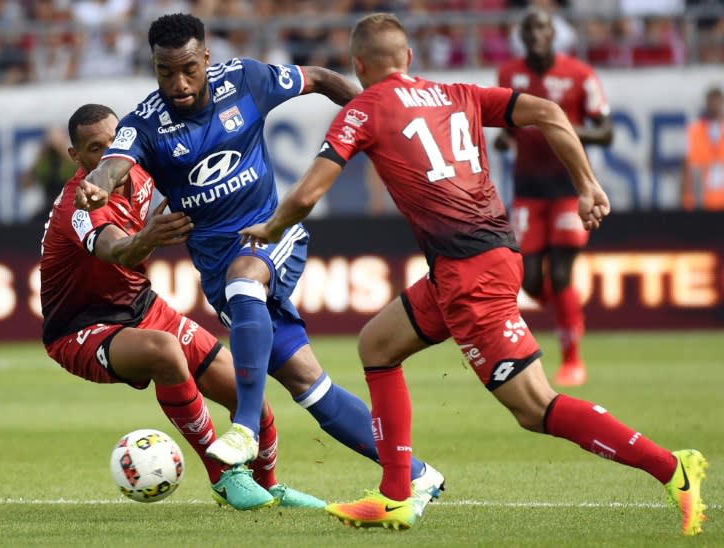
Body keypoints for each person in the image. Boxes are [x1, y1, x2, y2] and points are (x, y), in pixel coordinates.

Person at [239, 12, 708, 535]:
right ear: (409, 58)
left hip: (471, 273)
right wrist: (588, 185)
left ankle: (673, 467)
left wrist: (271, 227)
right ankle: (396, 493)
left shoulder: (364, 108)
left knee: (534, 407)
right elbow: (550, 112)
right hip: (472, 263)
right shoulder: (458, 92)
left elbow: (306, 194)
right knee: (376, 346)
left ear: (357, 65)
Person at [73, 13, 445, 515]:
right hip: (219, 272)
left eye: (188, 69)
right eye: (165, 72)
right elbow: (114, 163)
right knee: (310, 389)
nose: (178, 84)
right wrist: (97, 183)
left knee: (247, 276)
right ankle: (419, 475)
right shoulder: (145, 124)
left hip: (273, 234)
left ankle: (245, 426)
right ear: (154, 67)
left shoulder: (246, 80)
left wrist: (375, 118)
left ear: (206, 57)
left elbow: (320, 79)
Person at [41, 103, 326, 511]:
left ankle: (270, 488)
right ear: (76, 157)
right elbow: (116, 250)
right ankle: (225, 478)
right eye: (93, 149)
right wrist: (148, 238)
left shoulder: (139, 173)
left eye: (112, 145)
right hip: (79, 328)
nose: (106, 158)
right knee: (164, 351)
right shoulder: (79, 206)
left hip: (142, 307)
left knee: (250, 395)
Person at [495, 8, 614, 387]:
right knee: (529, 282)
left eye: (541, 27)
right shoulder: (507, 74)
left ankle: (572, 360)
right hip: (527, 190)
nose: (534, 34)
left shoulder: (580, 75)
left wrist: (559, 126)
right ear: (521, 35)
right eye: (527, 28)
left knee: (561, 273)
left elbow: (606, 131)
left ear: (554, 33)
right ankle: (569, 316)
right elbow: (505, 123)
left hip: (568, 189)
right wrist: (507, 135)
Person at [682, 86, 724, 210]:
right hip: (702, 199)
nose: (715, 106)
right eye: (712, 102)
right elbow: (686, 166)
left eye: (718, 102)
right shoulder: (694, 131)